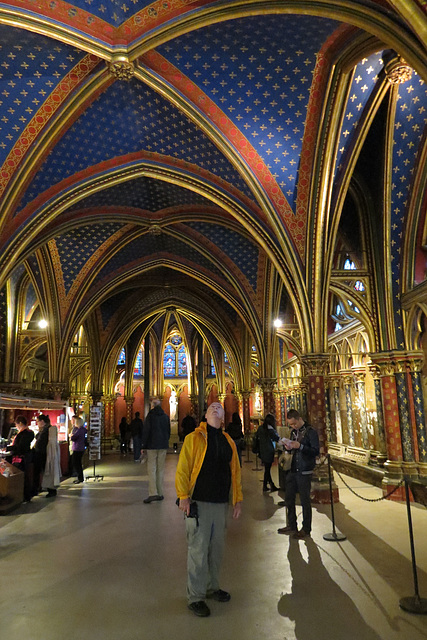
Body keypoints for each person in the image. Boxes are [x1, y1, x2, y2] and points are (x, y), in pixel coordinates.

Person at [175, 401, 243, 618]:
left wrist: (237, 499)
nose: (215, 409)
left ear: (223, 417)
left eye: (220, 408)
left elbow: (235, 472)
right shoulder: (193, 438)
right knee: (198, 550)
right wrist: (183, 496)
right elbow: (183, 469)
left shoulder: (228, 441)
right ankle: (195, 596)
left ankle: (212, 587)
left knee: (217, 549)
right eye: (212, 407)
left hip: (221, 503)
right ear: (205, 414)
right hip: (199, 503)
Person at [277, 409, 320, 539]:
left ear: (299, 419)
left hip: (304, 470)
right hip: (293, 469)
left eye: (294, 424)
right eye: (291, 424)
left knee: (304, 500)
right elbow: (292, 447)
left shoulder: (310, 432)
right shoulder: (293, 432)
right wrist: (287, 446)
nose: (293, 426)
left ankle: (306, 529)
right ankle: (292, 524)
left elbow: (315, 451)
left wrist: (300, 446)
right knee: (289, 497)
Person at [141, 399, 170, 502]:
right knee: (161, 469)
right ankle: (160, 492)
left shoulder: (150, 417)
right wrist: (165, 441)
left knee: (152, 469)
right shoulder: (165, 417)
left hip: (152, 445)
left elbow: (146, 431)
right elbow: (168, 431)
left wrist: (143, 445)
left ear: (152, 406)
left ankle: (153, 493)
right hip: (163, 445)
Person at [7, 416, 34, 501]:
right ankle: (26, 495)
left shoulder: (24, 434)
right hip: (25, 457)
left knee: (20, 477)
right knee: (24, 477)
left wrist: (8, 448)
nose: (17, 427)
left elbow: (19, 447)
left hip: (20, 458)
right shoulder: (30, 433)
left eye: (17, 424)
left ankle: (23, 496)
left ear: (21, 423)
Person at [33, 414, 61, 498]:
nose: (37, 423)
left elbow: (42, 442)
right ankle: (41, 488)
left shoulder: (47, 430)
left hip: (44, 454)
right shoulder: (45, 430)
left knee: (46, 471)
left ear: (42, 421)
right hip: (43, 454)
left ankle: (48, 489)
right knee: (43, 472)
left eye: (38, 421)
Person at [254, 413, 279, 492]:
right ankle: (266, 486)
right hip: (269, 451)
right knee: (267, 469)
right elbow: (276, 438)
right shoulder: (270, 430)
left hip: (262, 450)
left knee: (267, 468)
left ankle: (271, 484)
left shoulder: (261, 428)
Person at [70, 417, 87, 484]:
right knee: (78, 463)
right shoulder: (83, 429)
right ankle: (80, 477)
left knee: (76, 463)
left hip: (77, 448)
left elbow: (74, 438)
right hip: (81, 447)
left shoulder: (79, 430)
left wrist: (71, 435)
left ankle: (80, 477)